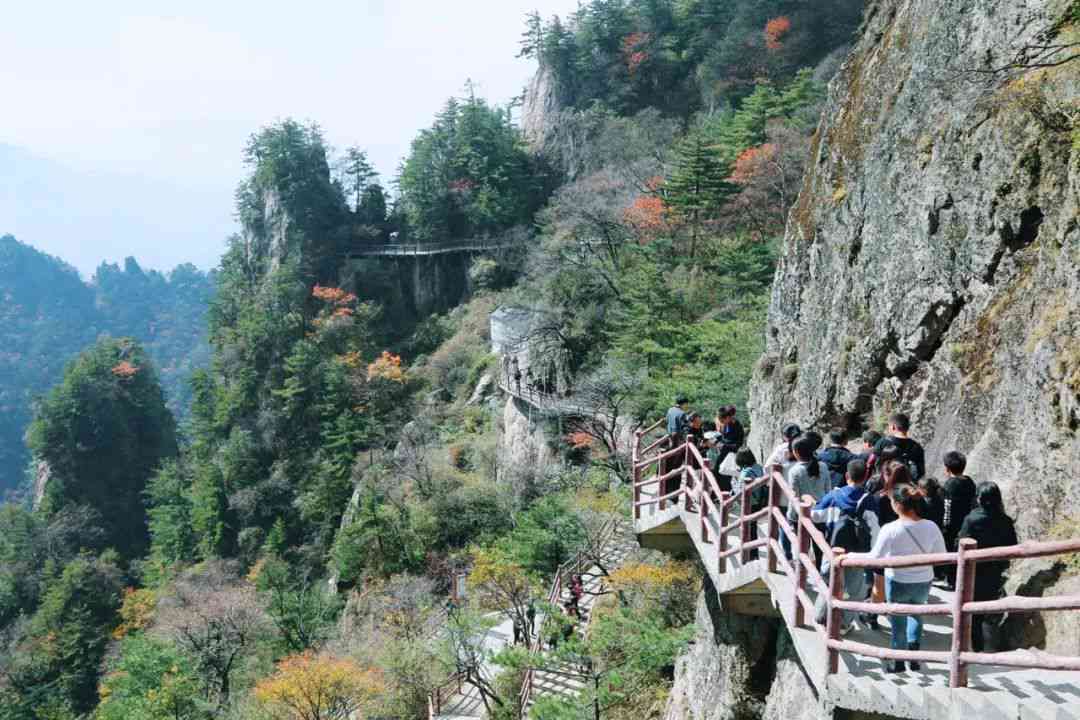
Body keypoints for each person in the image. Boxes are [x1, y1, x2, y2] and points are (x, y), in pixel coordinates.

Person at [850, 484, 946, 673]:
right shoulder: (931, 526)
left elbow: (875, 557)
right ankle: (914, 655)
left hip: (898, 580)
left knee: (898, 620)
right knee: (916, 614)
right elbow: (941, 554)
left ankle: (898, 661)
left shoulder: (890, 529)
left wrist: (851, 556)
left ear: (896, 505)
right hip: (923, 580)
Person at [812, 458, 878, 631]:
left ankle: (820, 615)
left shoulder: (833, 496)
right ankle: (843, 624)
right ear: (865, 477)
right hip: (856, 553)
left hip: (832, 548)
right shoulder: (869, 500)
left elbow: (815, 516)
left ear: (847, 475)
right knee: (852, 590)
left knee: (828, 581)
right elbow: (875, 529)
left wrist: (811, 504)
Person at [959, 481, 1018, 652]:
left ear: (979, 498)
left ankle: (976, 649)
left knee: (974, 612)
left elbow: (961, 542)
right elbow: (1012, 545)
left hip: (974, 571)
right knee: (989, 607)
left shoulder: (971, 519)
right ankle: (989, 644)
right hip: (996, 570)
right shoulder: (1005, 520)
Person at [784, 435, 832, 562]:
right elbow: (828, 491)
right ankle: (819, 573)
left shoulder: (795, 471)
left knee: (803, 548)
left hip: (801, 515)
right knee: (820, 547)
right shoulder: (823, 466)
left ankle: (803, 574)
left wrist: (790, 517)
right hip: (820, 512)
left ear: (796, 452)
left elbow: (794, 497)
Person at [942, 450, 977, 589]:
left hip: (952, 525)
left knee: (952, 551)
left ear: (947, 468)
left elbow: (947, 506)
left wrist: (945, 524)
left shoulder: (950, 485)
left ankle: (951, 581)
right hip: (966, 522)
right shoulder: (970, 482)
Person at [873, 413, 926, 480]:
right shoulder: (917, 447)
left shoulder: (882, 443)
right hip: (911, 486)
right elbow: (921, 472)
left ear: (893, 427)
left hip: (888, 485)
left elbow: (875, 464)